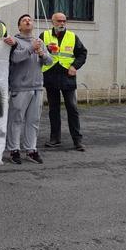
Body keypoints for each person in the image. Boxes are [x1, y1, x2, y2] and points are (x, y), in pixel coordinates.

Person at [4, 14, 53, 164]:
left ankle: (31, 149)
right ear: (19, 26)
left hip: (37, 86)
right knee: (16, 119)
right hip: (20, 87)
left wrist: (42, 53)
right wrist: (31, 49)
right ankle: (14, 149)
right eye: (24, 20)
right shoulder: (15, 41)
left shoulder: (39, 42)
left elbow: (49, 61)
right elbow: (15, 58)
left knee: (33, 120)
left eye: (30, 20)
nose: (28, 21)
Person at [40, 12, 88, 151]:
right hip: (50, 75)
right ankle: (55, 138)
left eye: (64, 21)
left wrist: (74, 66)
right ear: (52, 21)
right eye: (59, 21)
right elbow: (37, 52)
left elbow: (82, 53)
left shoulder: (72, 36)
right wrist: (44, 50)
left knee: (72, 108)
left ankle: (77, 140)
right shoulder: (44, 36)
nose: (62, 23)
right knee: (53, 109)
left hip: (67, 75)